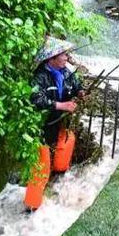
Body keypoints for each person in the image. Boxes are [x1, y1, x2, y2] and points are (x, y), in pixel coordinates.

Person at [24, 36, 84, 211]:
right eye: (63, 55)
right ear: (52, 59)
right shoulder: (40, 76)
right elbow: (35, 99)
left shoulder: (66, 72)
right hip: (41, 125)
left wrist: (80, 92)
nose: (67, 57)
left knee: (64, 143)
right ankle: (31, 204)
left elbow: (76, 84)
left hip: (60, 123)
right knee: (41, 159)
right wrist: (61, 105)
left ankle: (58, 172)